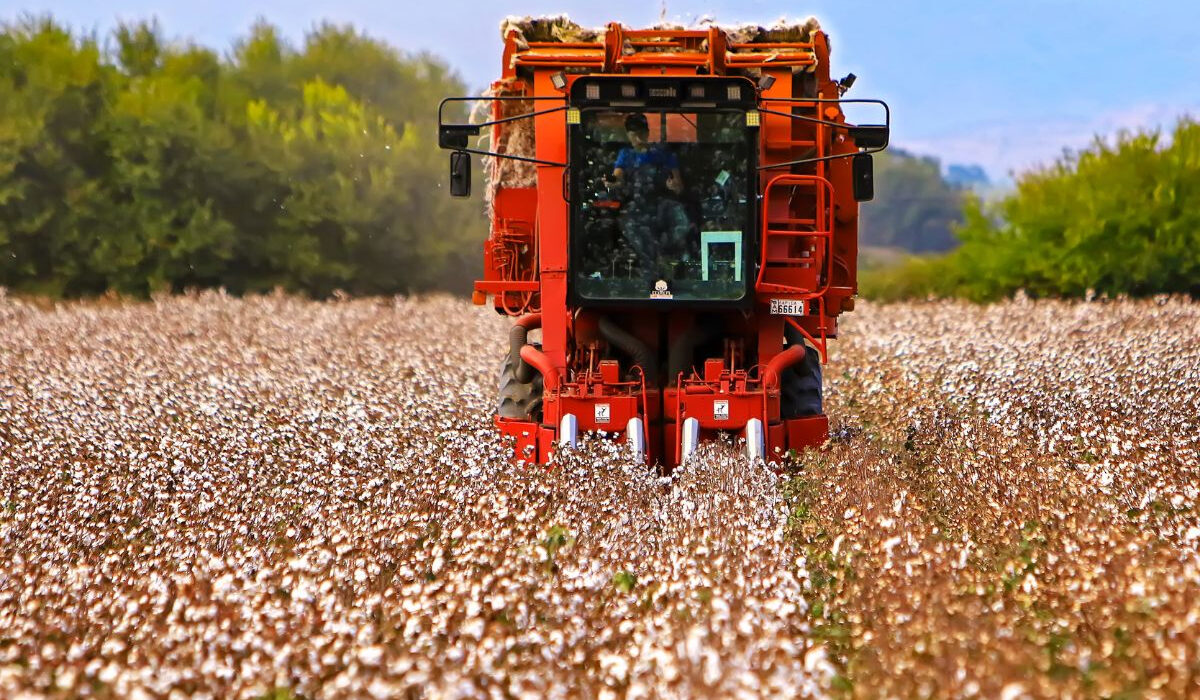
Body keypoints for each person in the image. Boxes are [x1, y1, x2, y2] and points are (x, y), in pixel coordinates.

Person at [605, 113, 691, 283]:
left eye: (640, 132)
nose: (637, 136)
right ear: (628, 134)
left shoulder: (663, 154)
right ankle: (649, 276)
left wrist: (673, 186)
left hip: (661, 206)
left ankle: (669, 268)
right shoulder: (626, 155)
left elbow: (678, 185)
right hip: (637, 209)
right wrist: (612, 183)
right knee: (637, 237)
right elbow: (618, 178)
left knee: (681, 222)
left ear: (647, 132)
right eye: (632, 132)